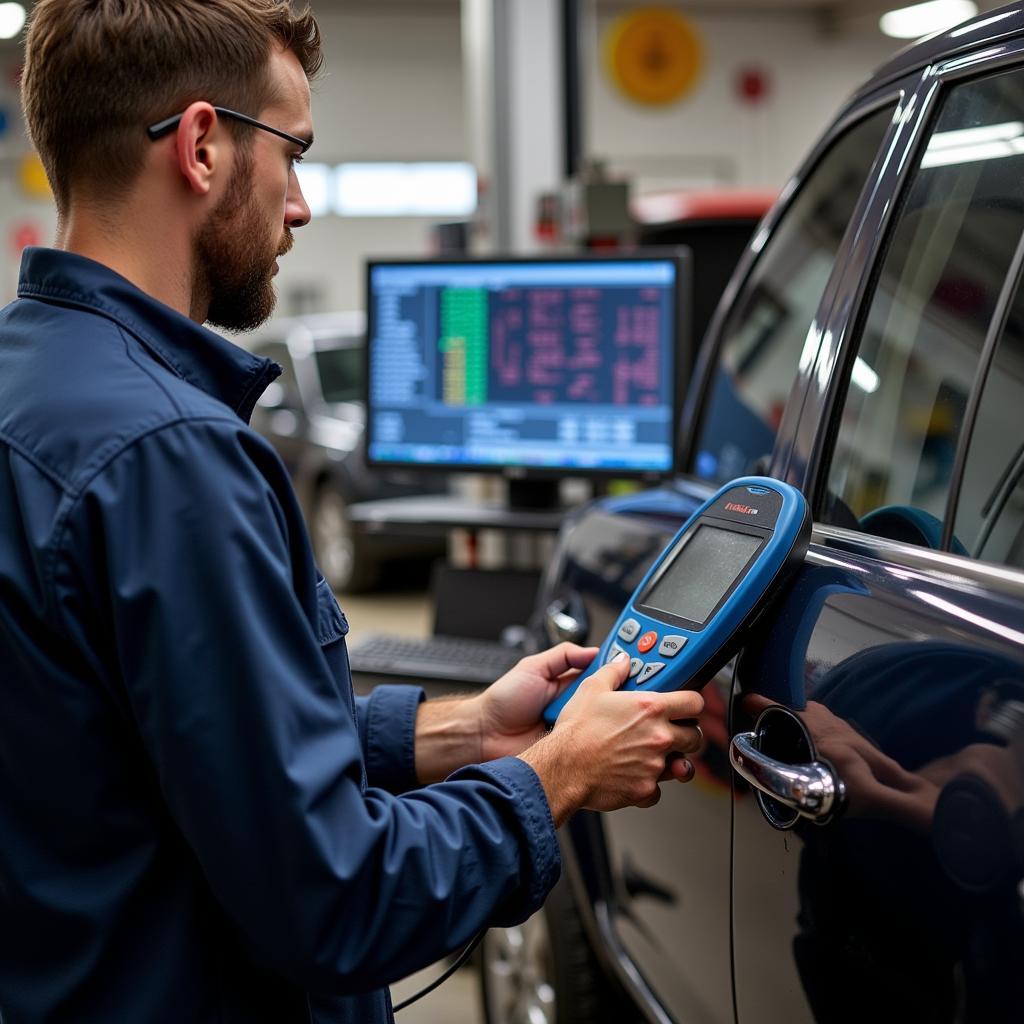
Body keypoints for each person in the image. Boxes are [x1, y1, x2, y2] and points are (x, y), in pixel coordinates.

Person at [0, 2, 705, 1021]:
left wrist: (460, 735)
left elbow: (181, 755)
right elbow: (334, 898)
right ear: (201, 146)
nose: (300, 205)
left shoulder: (32, 390)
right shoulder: (173, 459)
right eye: (293, 153)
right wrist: (556, 771)